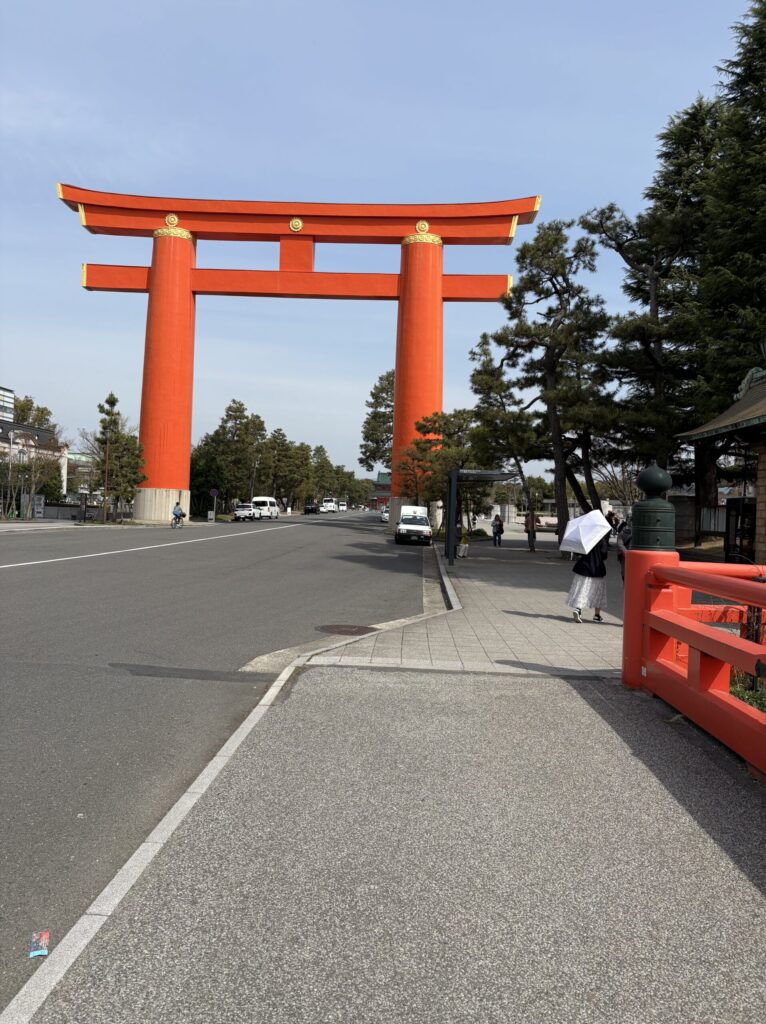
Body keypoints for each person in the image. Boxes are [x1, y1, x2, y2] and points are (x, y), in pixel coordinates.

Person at [566, 535, 609, 622]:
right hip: (597, 568)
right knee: (598, 592)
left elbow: (578, 552)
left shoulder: (586, 537)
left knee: (582, 589)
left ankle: (578, 609)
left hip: (584, 567)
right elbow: (604, 555)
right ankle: (597, 615)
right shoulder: (601, 539)